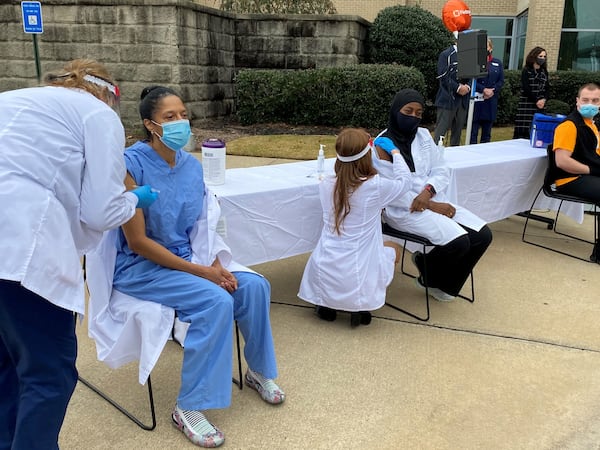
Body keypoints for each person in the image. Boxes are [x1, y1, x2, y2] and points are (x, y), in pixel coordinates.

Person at [112, 86, 284, 448]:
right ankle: (189, 406)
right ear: (150, 124)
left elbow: (199, 228)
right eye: (169, 117)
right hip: (141, 266)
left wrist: (215, 263)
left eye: (183, 114)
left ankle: (258, 372)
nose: (180, 123)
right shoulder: (130, 165)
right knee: (215, 301)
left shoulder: (191, 166)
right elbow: (138, 243)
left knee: (254, 286)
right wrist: (205, 273)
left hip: (186, 258)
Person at [0, 59, 156, 450]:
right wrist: (132, 200)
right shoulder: (98, 114)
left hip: (11, 245)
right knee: (48, 374)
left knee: (7, 367)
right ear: (107, 93)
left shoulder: (17, 99)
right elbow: (100, 211)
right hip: (19, 247)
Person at [373, 89, 493, 301]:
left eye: (418, 113)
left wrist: (428, 193)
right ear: (395, 110)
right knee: (460, 243)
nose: (413, 117)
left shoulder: (423, 135)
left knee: (482, 236)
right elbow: (388, 189)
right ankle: (428, 272)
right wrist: (430, 205)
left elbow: (441, 169)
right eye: (408, 111)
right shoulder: (383, 144)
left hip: (431, 198)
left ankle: (444, 284)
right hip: (403, 209)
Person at [298, 128, 411, 327]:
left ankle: (326, 305)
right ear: (367, 156)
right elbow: (405, 182)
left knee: (345, 256)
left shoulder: (325, 184)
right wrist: (395, 153)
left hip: (325, 265)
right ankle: (359, 306)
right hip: (357, 272)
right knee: (394, 248)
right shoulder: (375, 187)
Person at [552, 82, 600, 263]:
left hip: (586, 175)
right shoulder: (569, 126)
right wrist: (593, 169)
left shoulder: (592, 124)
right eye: (586, 100)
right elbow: (562, 161)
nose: (590, 104)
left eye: (595, 100)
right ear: (577, 101)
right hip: (569, 179)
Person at [433, 41, 471, 147]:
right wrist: (458, 87)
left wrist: (467, 87)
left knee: (457, 133)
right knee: (440, 133)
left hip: (463, 101)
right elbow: (442, 75)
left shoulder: (469, 55)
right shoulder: (446, 54)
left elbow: (473, 74)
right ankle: (435, 155)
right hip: (447, 99)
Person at [470, 38, 505, 144]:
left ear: (490, 48)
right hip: (477, 101)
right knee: (473, 132)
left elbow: (501, 80)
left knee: (487, 134)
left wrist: (492, 90)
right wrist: (483, 89)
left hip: (490, 101)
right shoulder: (474, 62)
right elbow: (471, 80)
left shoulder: (497, 63)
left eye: (487, 46)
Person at [513, 46, 550, 139]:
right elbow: (526, 88)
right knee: (525, 128)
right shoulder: (526, 71)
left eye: (544, 57)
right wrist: (536, 100)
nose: (542, 59)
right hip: (528, 103)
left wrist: (544, 99)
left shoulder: (544, 72)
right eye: (540, 56)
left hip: (541, 104)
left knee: (538, 127)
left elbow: (547, 87)